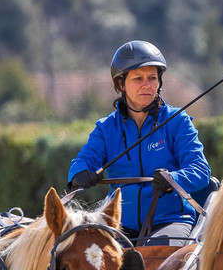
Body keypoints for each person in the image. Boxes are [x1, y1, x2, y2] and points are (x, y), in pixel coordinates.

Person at [67, 41, 212, 244]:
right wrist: (79, 173)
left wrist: (173, 179)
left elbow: (200, 170)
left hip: (170, 221)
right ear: (121, 84)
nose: (147, 85)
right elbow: (84, 160)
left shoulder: (178, 121)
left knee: (156, 259)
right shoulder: (105, 128)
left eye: (152, 78)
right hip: (120, 225)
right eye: (138, 78)